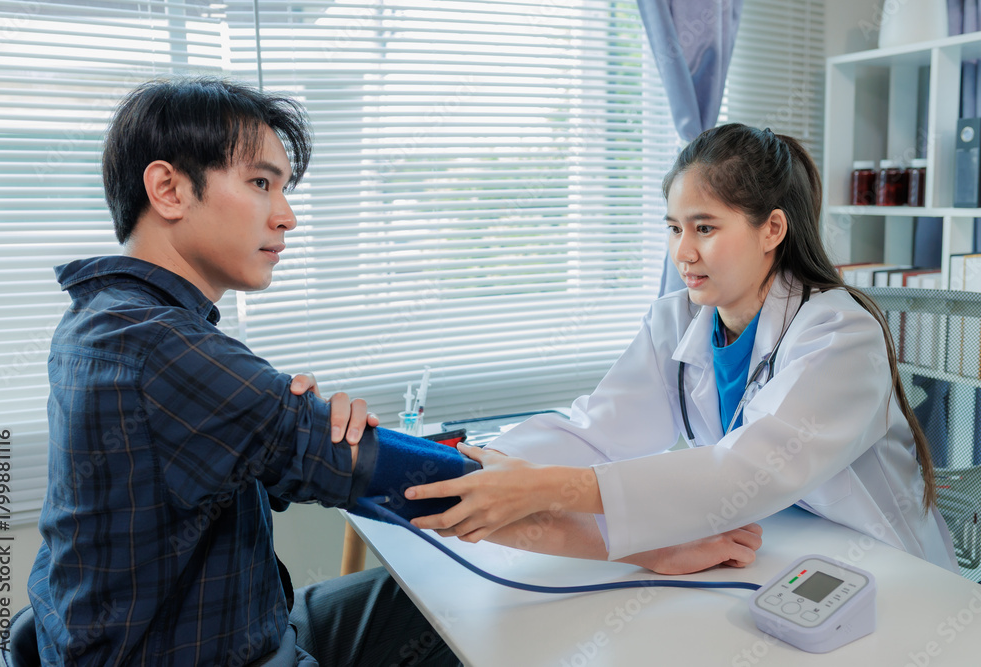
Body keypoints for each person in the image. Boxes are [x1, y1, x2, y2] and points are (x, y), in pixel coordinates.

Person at [26, 77, 459, 667]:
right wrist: (561, 489)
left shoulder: (106, 318)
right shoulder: (156, 342)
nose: (287, 218)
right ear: (169, 189)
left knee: (432, 600)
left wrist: (286, 430)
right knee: (471, 606)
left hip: (234, 626)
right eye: (261, 183)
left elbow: (254, 456)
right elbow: (383, 474)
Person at [405, 123, 959, 574]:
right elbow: (598, 431)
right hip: (777, 550)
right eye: (674, 228)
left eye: (705, 228)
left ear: (772, 230)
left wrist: (541, 487)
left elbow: (745, 471)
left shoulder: (840, 334)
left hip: (885, 567)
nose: (683, 253)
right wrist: (472, 466)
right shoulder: (677, 319)